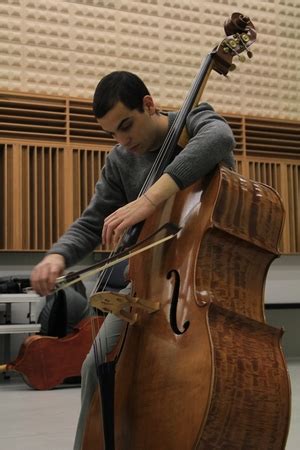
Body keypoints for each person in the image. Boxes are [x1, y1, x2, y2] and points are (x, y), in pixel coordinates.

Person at [30, 70, 236, 449]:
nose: (122, 142)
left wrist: (149, 199)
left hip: (206, 282)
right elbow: (93, 221)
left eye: (126, 126)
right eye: (112, 134)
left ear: (149, 104)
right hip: (146, 281)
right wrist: (58, 255)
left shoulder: (194, 120)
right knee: (97, 366)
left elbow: (220, 138)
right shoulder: (121, 160)